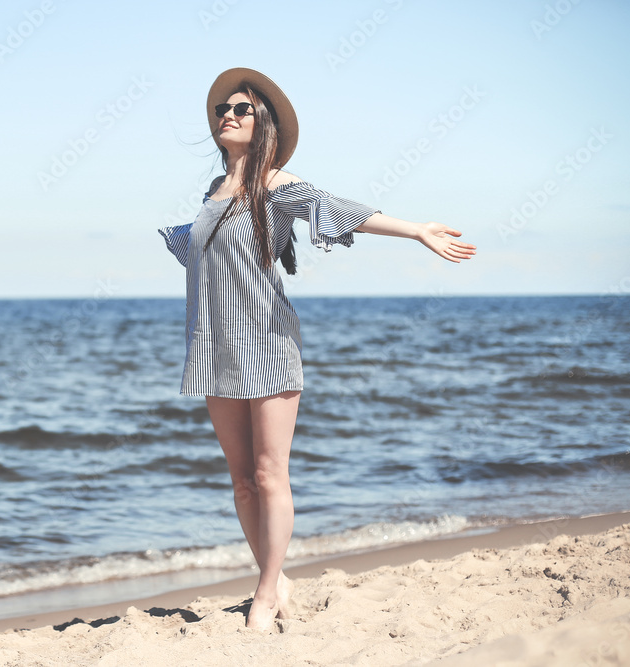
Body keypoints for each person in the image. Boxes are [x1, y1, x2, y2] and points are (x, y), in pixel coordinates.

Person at [157, 67, 476, 631]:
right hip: (214, 349)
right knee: (240, 480)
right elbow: (203, 260)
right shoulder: (212, 194)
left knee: (269, 471)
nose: (227, 114)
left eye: (241, 108)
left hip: (269, 342)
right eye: (221, 110)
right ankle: (274, 577)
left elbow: (340, 207)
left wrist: (416, 230)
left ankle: (262, 593)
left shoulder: (277, 185)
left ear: (264, 126)